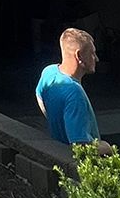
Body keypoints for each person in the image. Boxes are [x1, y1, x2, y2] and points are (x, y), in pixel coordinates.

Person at [36, 27, 113, 155]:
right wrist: (107, 147)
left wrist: (55, 120)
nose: (97, 58)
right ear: (79, 56)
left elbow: (39, 96)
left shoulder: (49, 72)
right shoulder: (75, 94)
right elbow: (80, 146)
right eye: (92, 54)